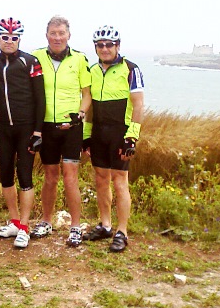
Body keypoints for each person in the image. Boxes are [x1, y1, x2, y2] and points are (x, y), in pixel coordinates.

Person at [0, 18, 45, 248]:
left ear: (19, 39)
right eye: (5, 37)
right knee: (6, 174)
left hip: (26, 127)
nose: (9, 42)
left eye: (14, 38)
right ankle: (15, 221)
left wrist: (38, 131)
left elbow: (40, 98)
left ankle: (25, 228)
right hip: (3, 127)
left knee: (25, 175)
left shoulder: (29, 62)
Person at [30, 16, 92, 247]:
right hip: (46, 126)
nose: (57, 37)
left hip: (71, 127)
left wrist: (81, 114)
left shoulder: (79, 59)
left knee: (70, 178)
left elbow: (87, 93)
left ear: (69, 35)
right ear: (46, 35)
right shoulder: (36, 57)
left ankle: (75, 226)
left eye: (61, 33)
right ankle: (46, 221)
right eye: (53, 33)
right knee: (50, 177)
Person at [83, 25, 145, 252]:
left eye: (109, 44)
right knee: (101, 179)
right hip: (99, 133)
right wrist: (86, 135)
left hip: (121, 133)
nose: (105, 48)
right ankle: (105, 225)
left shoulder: (131, 69)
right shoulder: (92, 70)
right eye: (100, 45)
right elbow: (90, 106)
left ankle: (122, 232)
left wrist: (132, 137)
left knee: (120, 181)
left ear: (117, 46)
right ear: (95, 47)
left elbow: (138, 106)